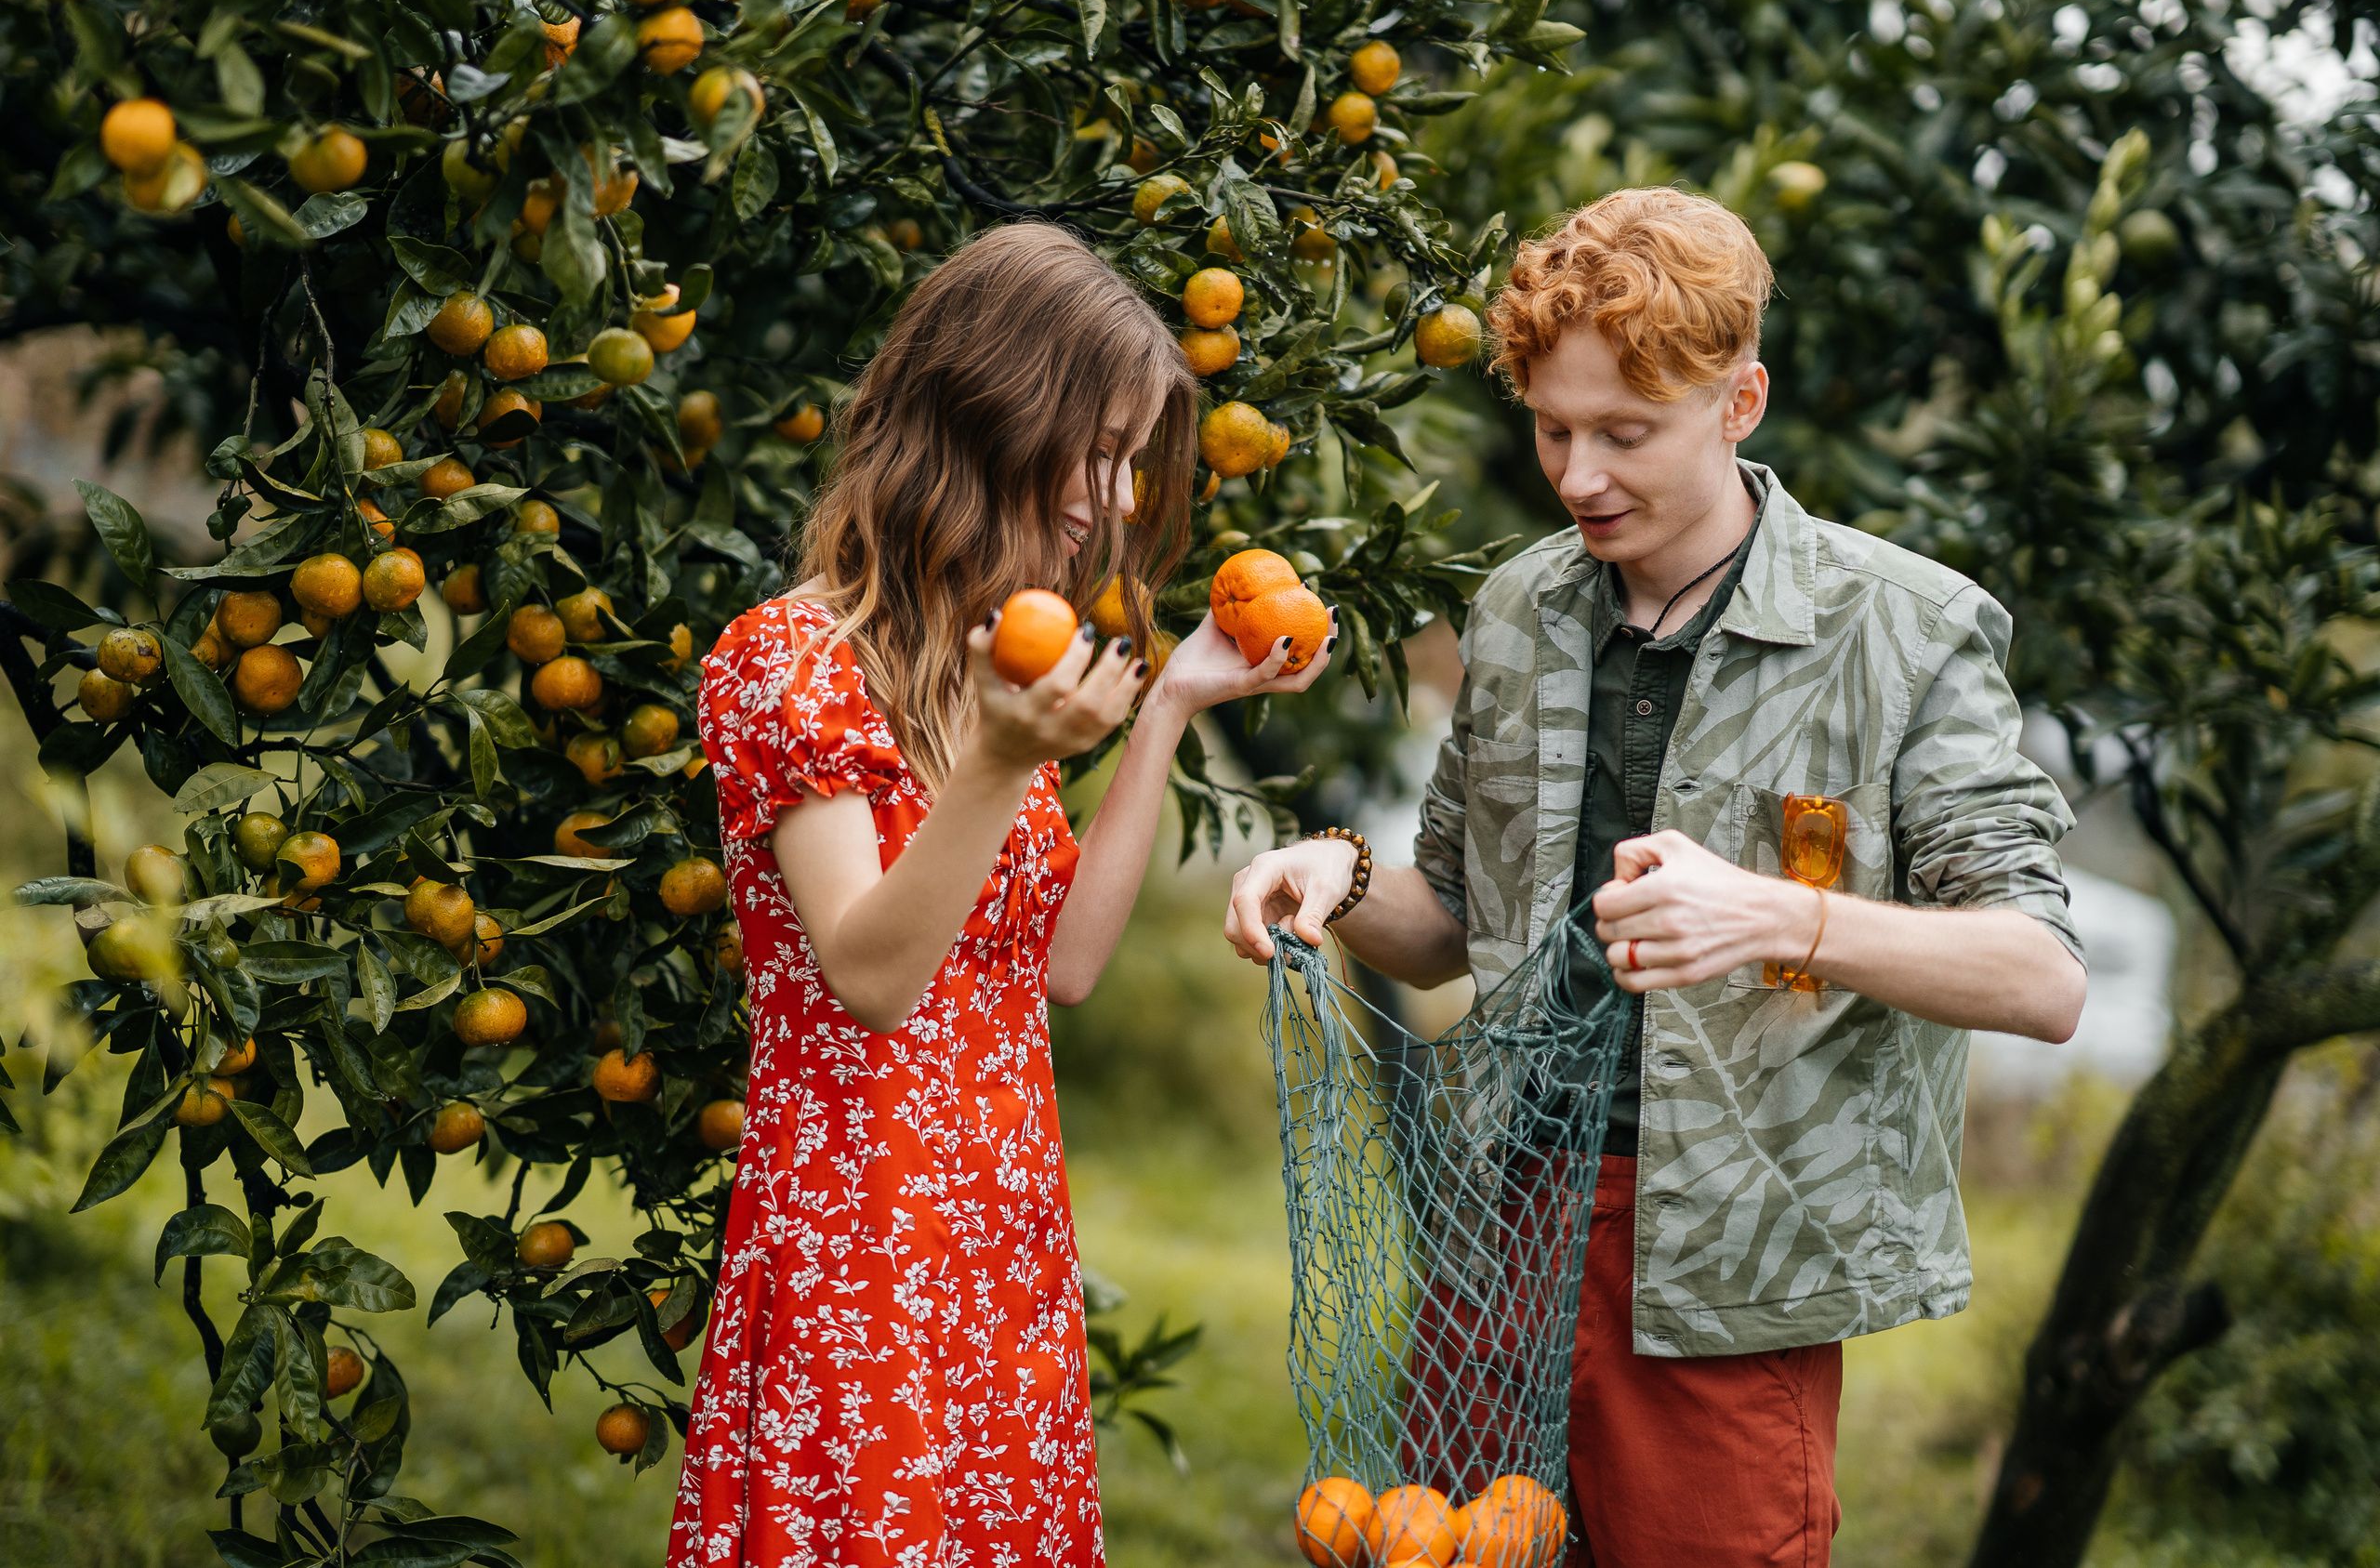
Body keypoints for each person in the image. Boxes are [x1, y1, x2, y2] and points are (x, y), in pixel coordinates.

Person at [1223, 188, 2087, 1566]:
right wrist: (1335, 870)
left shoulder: (1905, 631)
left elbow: (2041, 978)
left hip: (1727, 1278)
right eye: (1553, 430)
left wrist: (1781, 915)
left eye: (1626, 434)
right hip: (1500, 1232)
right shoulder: (1519, 609)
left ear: (1741, 402)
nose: (1579, 478)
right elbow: (1446, 928)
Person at [669, 222, 1333, 1568]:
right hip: (864, 1244)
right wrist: (1002, 758)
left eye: (1134, 460)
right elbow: (870, 978)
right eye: (1103, 449)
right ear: (996, 410)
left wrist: (1167, 705)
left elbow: (1060, 969)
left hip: (999, 1237)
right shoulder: (789, 661)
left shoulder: (980, 677)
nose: (1118, 497)